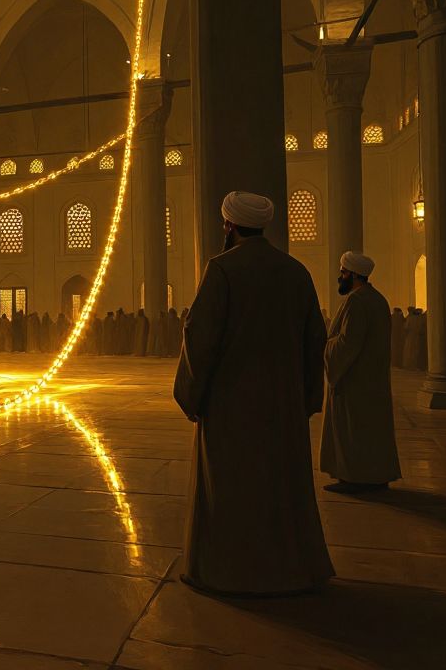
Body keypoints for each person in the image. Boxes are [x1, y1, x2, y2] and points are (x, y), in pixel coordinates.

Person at [173, 191, 332, 595]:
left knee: (232, 489)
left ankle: (228, 572)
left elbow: (200, 337)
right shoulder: (296, 272)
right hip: (283, 404)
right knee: (279, 488)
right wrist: (308, 398)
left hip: (232, 405)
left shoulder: (222, 270)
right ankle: (289, 570)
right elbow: (316, 339)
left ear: (229, 226)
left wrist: (191, 395)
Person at [321, 252, 401, 493]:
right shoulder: (377, 299)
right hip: (372, 379)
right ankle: (375, 476)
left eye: (344, 273)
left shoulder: (357, 301)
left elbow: (347, 343)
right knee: (373, 430)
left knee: (354, 430)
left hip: (353, 379)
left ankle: (354, 478)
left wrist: (326, 346)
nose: (340, 277)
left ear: (355, 275)